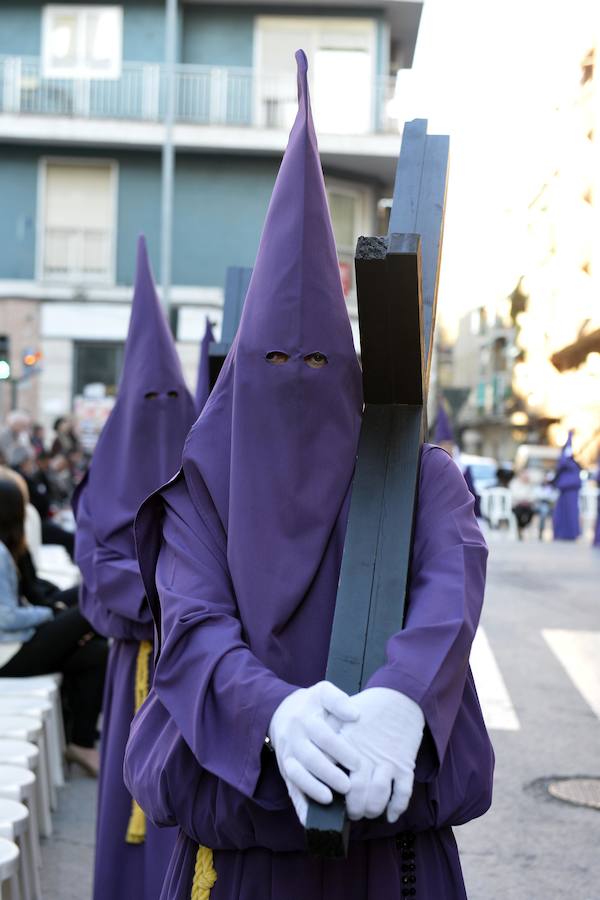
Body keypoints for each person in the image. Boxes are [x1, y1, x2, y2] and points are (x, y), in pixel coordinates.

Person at [124, 52, 493, 900]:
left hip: (393, 854)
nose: (296, 376)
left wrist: (403, 701)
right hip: (244, 861)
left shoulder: (422, 477)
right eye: (275, 360)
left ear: (354, 372)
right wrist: (272, 714)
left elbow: (452, 586)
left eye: (320, 360)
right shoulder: (198, 495)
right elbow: (193, 628)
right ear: (240, 372)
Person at [73, 237, 197, 900]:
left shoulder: (208, 473)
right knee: (129, 807)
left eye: (170, 398)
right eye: (146, 399)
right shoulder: (100, 481)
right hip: (135, 676)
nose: (160, 414)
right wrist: (162, 593)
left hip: (191, 667)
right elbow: (96, 572)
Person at [0, 477, 107, 774]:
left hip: (14, 645)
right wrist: (49, 614)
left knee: (96, 653)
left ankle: (80, 744)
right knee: (88, 608)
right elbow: (5, 617)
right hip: (8, 653)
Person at [552, 431, 582, 541]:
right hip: (567, 490)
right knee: (565, 512)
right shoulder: (566, 460)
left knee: (571, 512)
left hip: (572, 490)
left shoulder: (573, 462)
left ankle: (570, 533)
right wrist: (569, 437)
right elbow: (563, 462)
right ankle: (564, 533)